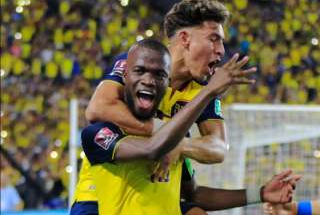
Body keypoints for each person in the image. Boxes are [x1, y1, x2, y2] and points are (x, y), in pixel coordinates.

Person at [81, 39, 300, 215]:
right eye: (140, 71)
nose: (148, 80)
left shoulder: (176, 136)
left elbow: (193, 194)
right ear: (125, 74)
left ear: (168, 84)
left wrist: (260, 193)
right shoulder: (100, 132)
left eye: (159, 75)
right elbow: (153, 148)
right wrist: (208, 92)